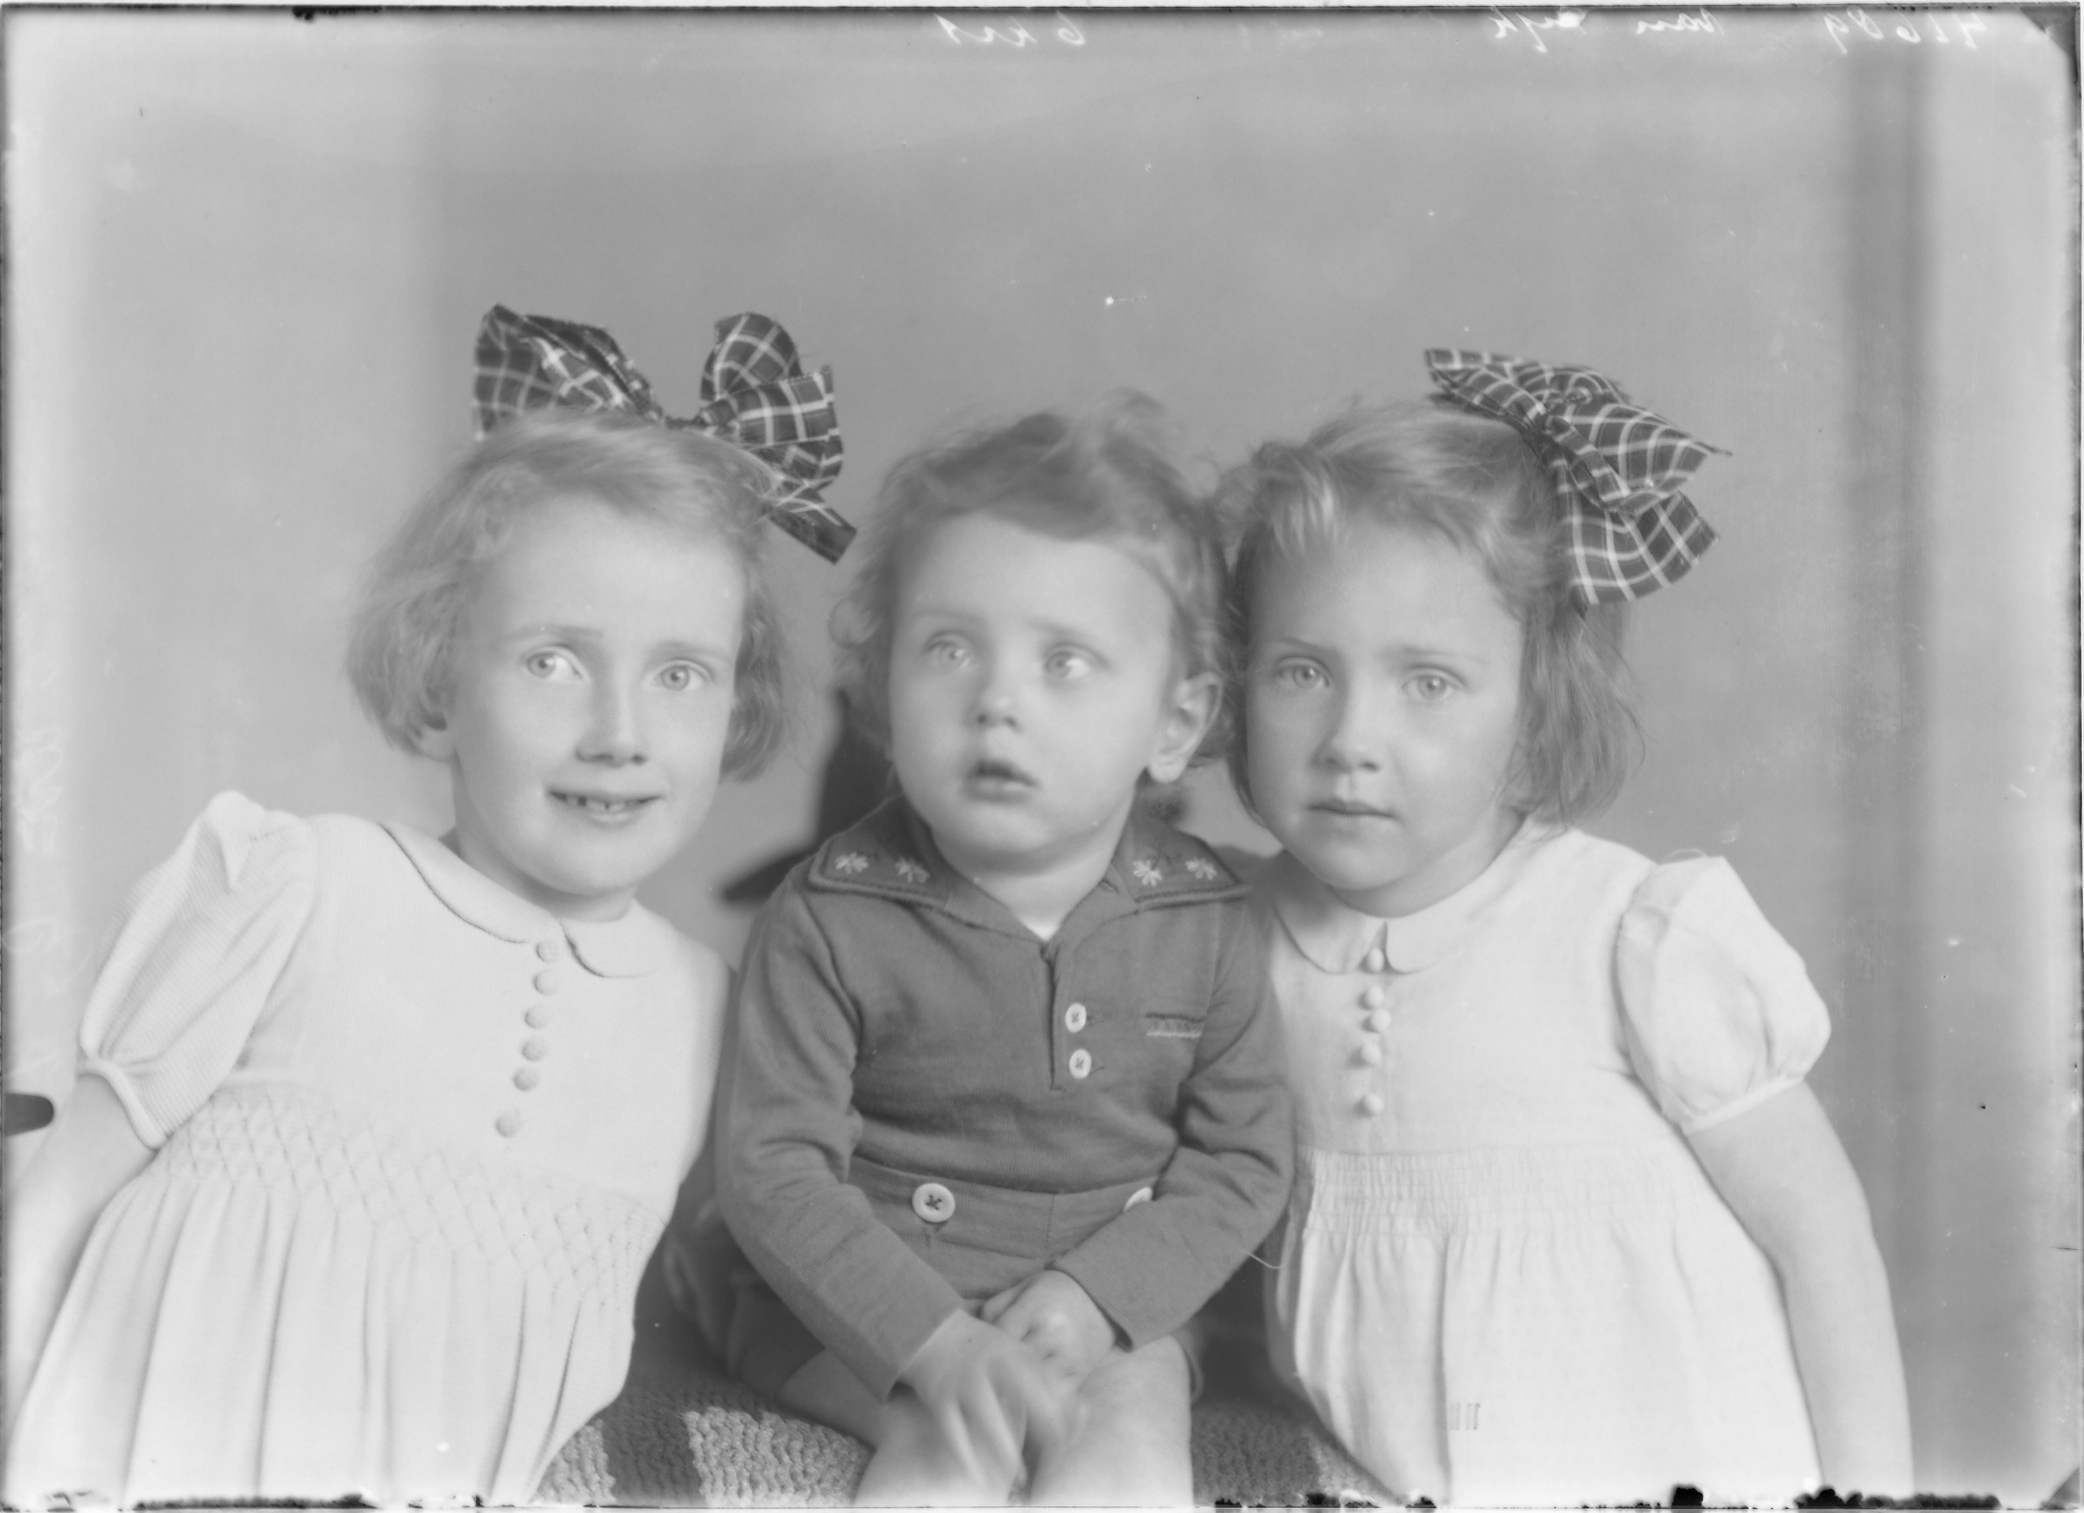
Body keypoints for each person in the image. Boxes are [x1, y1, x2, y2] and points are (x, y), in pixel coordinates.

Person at [3, 307, 848, 1507]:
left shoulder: (709, 1007)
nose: (618, 732)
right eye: (554, 661)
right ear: (442, 680)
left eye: (679, 673)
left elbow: (735, 1286)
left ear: (735, 708)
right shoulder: (298, 883)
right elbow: (58, 1196)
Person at [1219, 351, 1914, 1506]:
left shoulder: (1625, 936)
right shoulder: (1229, 940)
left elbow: (1822, 1241)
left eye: (1426, 682)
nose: (1349, 738)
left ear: (1535, 697)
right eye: (1300, 671)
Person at [712, 398, 1294, 1505]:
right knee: (948, 1455)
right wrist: (932, 1345)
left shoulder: (1205, 918)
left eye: (1065, 660)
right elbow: (773, 1170)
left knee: (1126, 1465)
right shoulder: (830, 913)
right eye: (948, 648)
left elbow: (1241, 1162)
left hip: (1102, 1308)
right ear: (883, 687)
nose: (996, 702)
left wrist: (1098, 1300)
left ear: (1174, 723)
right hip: (865, 1304)